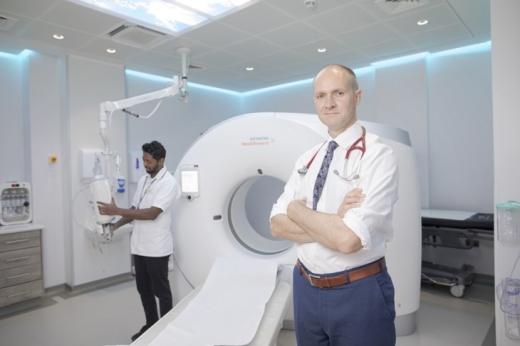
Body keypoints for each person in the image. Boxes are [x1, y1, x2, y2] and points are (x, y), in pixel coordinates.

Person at [270, 64, 399, 346]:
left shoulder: (377, 156)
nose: (328, 103)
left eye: (338, 93)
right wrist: (332, 219)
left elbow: (348, 240)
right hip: (305, 287)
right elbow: (276, 224)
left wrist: (296, 209)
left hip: (358, 291)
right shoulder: (307, 159)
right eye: (321, 95)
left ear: (357, 96)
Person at [97, 140, 180, 342]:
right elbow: (134, 210)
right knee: (144, 289)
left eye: (149, 160)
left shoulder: (169, 183)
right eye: (143, 160)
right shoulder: (144, 180)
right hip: (139, 246)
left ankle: (165, 329)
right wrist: (116, 224)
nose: (145, 164)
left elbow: (152, 213)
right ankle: (151, 324)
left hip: (157, 248)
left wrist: (116, 210)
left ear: (161, 160)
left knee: (162, 291)